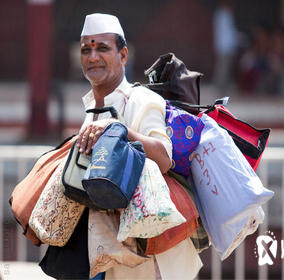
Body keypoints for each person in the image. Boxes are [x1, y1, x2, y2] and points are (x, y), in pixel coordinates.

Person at [76, 13, 202, 279]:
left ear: (123, 56)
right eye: (86, 49)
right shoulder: (91, 109)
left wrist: (119, 130)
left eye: (102, 48)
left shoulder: (140, 100)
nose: (93, 57)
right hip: (114, 256)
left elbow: (164, 157)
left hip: (156, 258)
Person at [213, 0, 238, 94]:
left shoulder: (228, 15)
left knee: (226, 68)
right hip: (224, 46)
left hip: (227, 46)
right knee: (222, 68)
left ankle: (224, 87)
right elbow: (224, 33)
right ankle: (220, 88)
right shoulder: (222, 15)